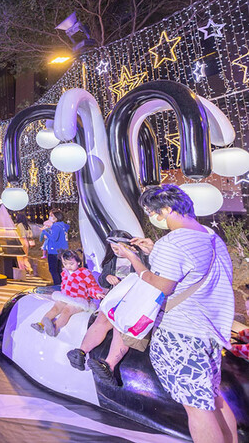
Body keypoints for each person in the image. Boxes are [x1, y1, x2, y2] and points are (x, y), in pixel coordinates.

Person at [113, 185, 236, 443]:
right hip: (209, 330)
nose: (151, 216)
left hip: (180, 333)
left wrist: (134, 260)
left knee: (197, 407)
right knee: (211, 398)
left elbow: (162, 285)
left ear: (166, 210)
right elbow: (191, 268)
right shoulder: (211, 236)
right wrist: (152, 251)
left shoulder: (173, 242)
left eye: (151, 211)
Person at [67, 230, 149, 384]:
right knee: (101, 321)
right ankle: (80, 352)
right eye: (113, 248)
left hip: (132, 302)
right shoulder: (111, 261)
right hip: (114, 299)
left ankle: (108, 364)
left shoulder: (140, 259)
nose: (116, 252)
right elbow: (103, 279)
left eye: (118, 248)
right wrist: (107, 277)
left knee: (120, 327)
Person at [31, 249, 102, 337]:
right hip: (65, 297)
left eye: (71, 264)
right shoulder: (64, 273)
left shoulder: (84, 273)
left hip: (79, 300)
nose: (68, 266)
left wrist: (97, 293)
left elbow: (92, 286)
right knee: (55, 308)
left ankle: (54, 328)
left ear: (78, 262)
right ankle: (41, 324)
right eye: (65, 264)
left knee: (66, 311)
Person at [42, 210, 69, 286]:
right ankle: (61, 284)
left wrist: (45, 231)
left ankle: (57, 285)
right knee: (59, 268)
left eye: (52, 216)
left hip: (54, 250)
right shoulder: (63, 225)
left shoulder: (56, 226)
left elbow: (54, 238)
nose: (50, 217)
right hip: (62, 249)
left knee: (53, 269)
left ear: (57, 217)